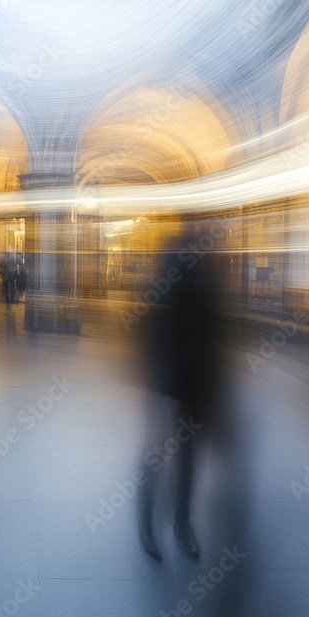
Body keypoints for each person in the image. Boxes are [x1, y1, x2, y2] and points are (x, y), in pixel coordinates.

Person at [137, 223, 222, 561]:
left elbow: (214, 334)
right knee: (161, 453)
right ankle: (155, 526)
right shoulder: (166, 274)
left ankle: (177, 524)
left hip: (191, 381)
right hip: (166, 380)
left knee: (181, 455)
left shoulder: (205, 276)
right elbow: (149, 329)